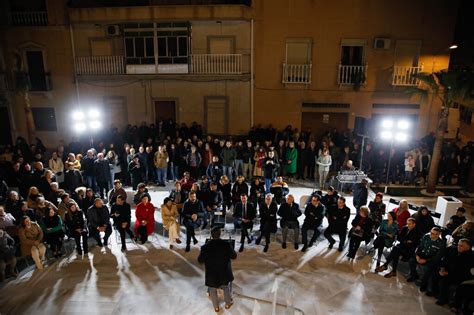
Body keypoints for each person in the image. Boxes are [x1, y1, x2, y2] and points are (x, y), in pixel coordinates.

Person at [197, 227, 237, 313]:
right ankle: (227, 304)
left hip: (211, 275)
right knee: (226, 288)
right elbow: (234, 256)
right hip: (224, 273)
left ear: (211, 235)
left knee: (212, 290)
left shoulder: (205, 247)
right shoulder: (226, 245)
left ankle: (216, 308)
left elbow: (200, 260)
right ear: (220, 234)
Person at [436, 239, 474, 306]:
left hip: (461, 275)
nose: (458, 247)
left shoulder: (471, 256)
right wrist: (442, 268)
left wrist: (447, 273)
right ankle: (437, 294)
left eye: (461, 246)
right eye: (458, 245)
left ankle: (444, 300)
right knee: (435, 272)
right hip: (448, 271)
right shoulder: (454, 250)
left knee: (446, 280)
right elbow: (445, 260)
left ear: (468, 247)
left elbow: (463, 270)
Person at [407, 227, 445, 293]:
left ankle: (423, 284)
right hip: (423, 254)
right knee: (411, 260)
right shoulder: (426, 236)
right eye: (431, 233)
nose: (431, 235)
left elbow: (437, 257)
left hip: (431, 258)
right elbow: (420, 246)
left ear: (438, 234)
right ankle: (414, 276)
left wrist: (426, 260)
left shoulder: (441, 243)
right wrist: (417, 256)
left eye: (434, 234)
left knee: (429, 268)